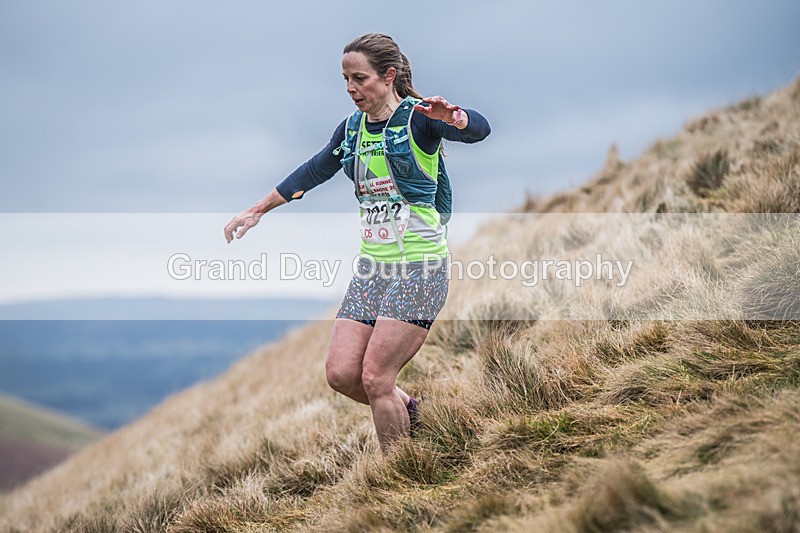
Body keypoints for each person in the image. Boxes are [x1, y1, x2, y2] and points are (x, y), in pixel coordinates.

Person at [224, 33, 490, 453]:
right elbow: (312, 171)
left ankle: (397, 476)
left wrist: (454, 117)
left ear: (388, 76)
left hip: (420, 268)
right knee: (342, 374)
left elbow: (479, 130)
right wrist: (256, 209)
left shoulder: (419, 119)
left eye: (359, 78)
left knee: (376, 379)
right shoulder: (352, 129)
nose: (351, 88)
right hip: (373, 270)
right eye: (345, 79)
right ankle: (416, 414)